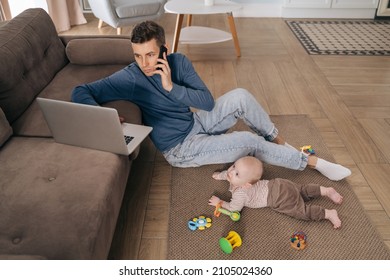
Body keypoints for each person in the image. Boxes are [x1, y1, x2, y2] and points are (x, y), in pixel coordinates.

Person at [71, 21, 351, 181]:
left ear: (164, 50)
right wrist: (104, 116)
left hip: (196, 121)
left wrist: (171, 87)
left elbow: (205, 101)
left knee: (240, 94)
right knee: (249, 142)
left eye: (150, 54)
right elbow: (81, 91)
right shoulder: (130, 77)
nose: (144, 62)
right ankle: (313, 162)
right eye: (137, 55)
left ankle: (280, 142)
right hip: (181, 148)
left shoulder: (179, 62)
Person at [208, 156, 343, 229]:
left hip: (278, 199)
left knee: (302, 211)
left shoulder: (240, 194)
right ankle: (326, 190)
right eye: (233, 166)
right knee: (302, 190)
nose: (230, 172)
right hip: (279, 183)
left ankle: (328, 213)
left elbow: (234, 208)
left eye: (236, 173)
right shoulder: (235, 177)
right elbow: (227, 175)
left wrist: (219, 203)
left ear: (246, 184)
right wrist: (219, 175)